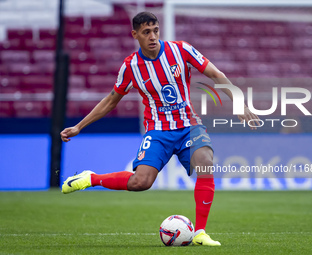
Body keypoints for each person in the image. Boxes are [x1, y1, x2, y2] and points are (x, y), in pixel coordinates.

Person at [60, 12, 259, 246]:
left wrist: (238, 101)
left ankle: (201, 232)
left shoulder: (181, 50)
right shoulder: (131, 66)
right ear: (135, 35)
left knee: (205, 162)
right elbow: (111, 100)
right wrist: (79, 126)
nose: (152, 36)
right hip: (158, 132)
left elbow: (216, 74)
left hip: (189, 126)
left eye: (155, 30)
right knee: (140, 183)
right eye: (146, 32)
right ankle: (91, 178)